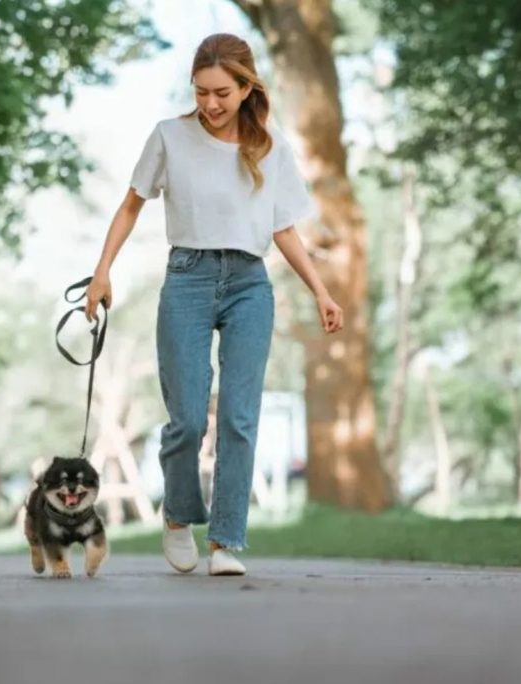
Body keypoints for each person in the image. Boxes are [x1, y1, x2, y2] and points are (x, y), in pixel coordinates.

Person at [84, 33, 343, 576]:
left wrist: (320, 291)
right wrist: (102, 271)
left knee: (240, 418)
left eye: (222, 92)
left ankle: (226, 540)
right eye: (201, 92)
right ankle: (178, 516)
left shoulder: (270, 148)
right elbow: (131, 206)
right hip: (187, 279)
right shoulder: (170, 137)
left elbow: (285, 230)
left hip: (250, 284)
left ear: (247, 88)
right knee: (185, 418)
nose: (210, 104)